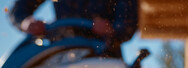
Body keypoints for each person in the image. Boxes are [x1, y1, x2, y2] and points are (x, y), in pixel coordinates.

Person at [8, 0, 138, 58]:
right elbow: (18, 10)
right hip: (63, 54)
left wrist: (112, 29)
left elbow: (128, 23)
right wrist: (26, 22)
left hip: (104, 54)